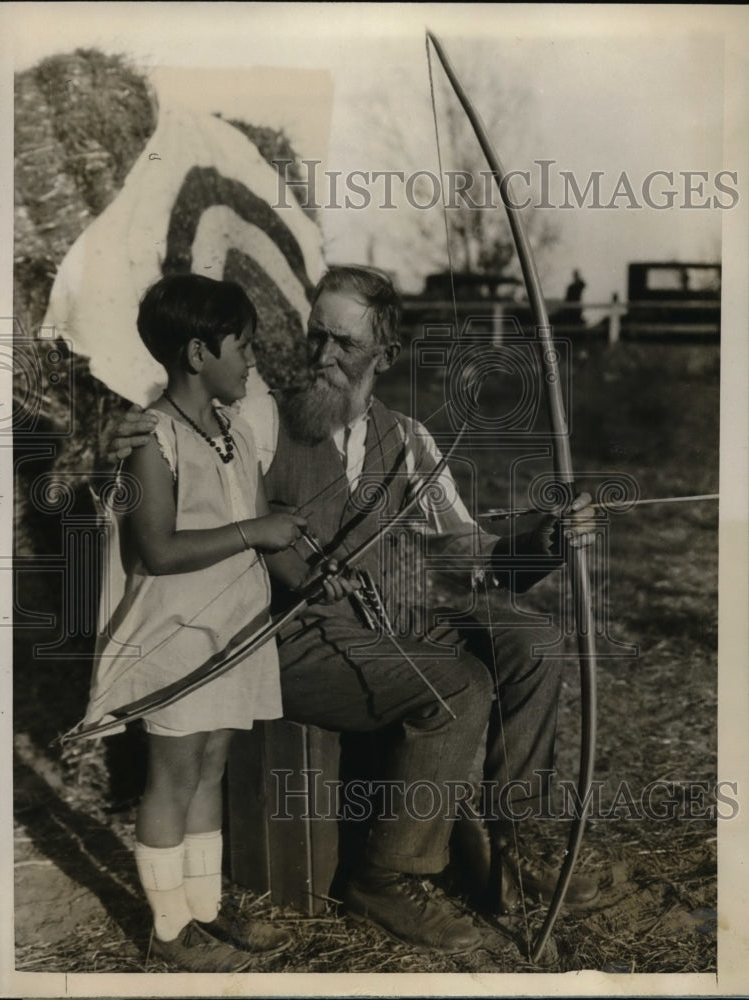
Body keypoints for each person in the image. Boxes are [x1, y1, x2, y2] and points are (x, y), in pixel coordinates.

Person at [107, 265, 598, 954]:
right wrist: (126, 427)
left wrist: (545, 539)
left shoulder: (410, 439)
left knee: (533, 643)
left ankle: (510, 845)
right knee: (457, 683)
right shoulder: (260, 414)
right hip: (291, 636)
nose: (321, 356)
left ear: (385, 357)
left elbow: (478, 561)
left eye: (343, 342)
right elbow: (182, 443)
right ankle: (389, 877)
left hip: (389, 624)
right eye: (315, 336)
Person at [82, 274, 312, 972]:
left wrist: (305, 572)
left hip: (232, 634)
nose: (251, 362)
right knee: (173, 777)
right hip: (177, 637)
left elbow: (262, 530)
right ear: (195, 353)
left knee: (210, 767)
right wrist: (255, 531)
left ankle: (205, 912)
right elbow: (158, 549)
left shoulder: (232, 430)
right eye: (241, 347)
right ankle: (169, 929)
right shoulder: (154, 439)